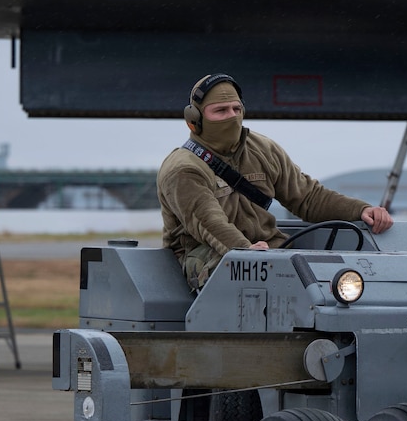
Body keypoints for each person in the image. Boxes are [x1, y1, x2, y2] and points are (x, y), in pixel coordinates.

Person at [157, 73, 393, 289]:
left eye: (236, 109)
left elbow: (308, 197)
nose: (231, 117)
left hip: (267, 251)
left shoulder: (262, 149)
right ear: (195, 119)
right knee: (248, 272)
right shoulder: (183, 169)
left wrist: (360, 209)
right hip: (207, 256)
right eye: (221, 111)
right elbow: (209, 222)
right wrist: (245, 251)